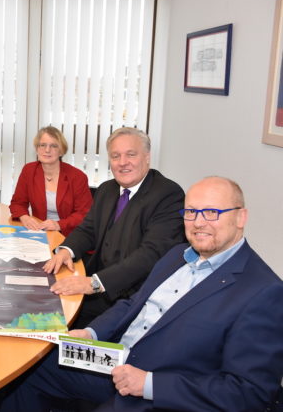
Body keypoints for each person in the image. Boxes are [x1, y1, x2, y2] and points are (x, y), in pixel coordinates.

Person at [0, 176, 283, 411]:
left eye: (212, 212)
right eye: (191, 212)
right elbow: (134, 303)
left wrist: (149, 384)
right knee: (29, 366)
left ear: (241, 217)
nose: (198, 222)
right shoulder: (177, 255)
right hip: (118, 360)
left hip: (161, 395)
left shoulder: (263, 291)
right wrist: (92, 334)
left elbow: (250, 392)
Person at [43, 127, 185, 328]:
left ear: (147, 157)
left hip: (131, 299)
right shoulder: (106, 189)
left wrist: (94, 283)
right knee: (43, 310)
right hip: (96, 289)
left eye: (131, 154)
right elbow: (89, 229)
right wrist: (66, 250)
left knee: (58, 331)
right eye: (115, 156)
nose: (122, 162)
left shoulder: (168, 195)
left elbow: (151, 255)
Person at [9, 126, 92, 236]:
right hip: (39, 231)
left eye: (53, 146)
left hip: (69, 234)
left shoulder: (77, 177)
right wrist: (24, 217)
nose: (47, 150)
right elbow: (17, 203)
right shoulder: (29, 170)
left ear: (61, 151)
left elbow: (84, 214)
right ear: (37, 149)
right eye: (42, 145)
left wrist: (59, 224)